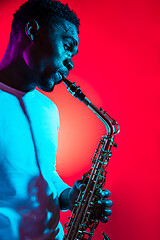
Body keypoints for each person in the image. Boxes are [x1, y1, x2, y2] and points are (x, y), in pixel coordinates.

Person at [0, 0, 113, 239]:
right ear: (32, 31)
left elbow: (45, 173)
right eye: (67, 46)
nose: (70, 62)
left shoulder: (48, 109)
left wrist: (71, 197)